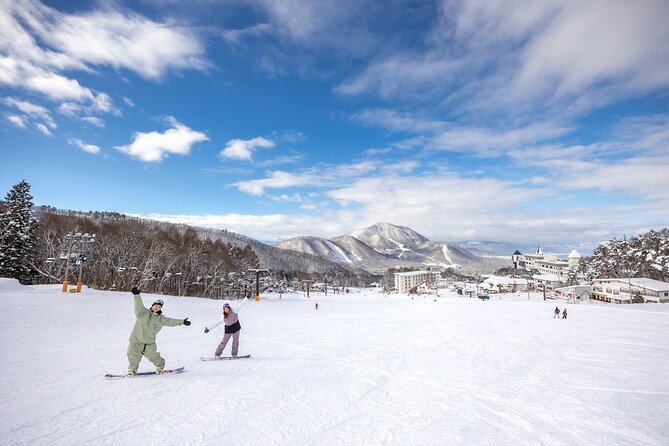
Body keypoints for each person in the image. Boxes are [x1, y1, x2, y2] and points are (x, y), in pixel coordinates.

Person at [127, 287, 191, 375]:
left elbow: (171, 321)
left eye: (159, 306)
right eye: (155, 305)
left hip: (149, 342)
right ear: (152, 306)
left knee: (153, 356)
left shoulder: (161, 318)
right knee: (132, 356)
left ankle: (160, 366)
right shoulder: (142, 313)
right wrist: (137, 295)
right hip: (136, 340)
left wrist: (182, 322)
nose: (157, 307)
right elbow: (138, 305)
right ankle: (132, 370)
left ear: (160, 308)